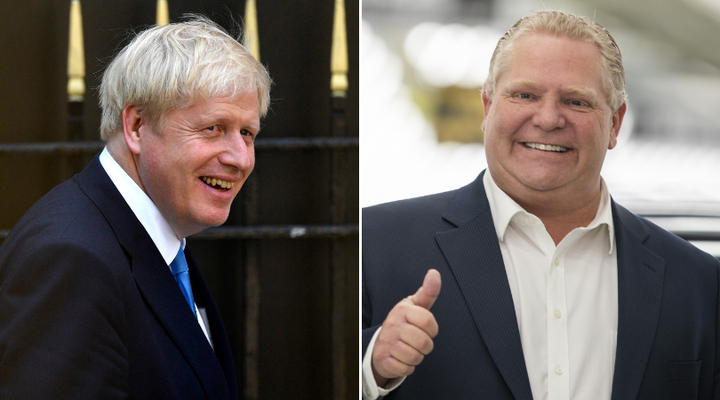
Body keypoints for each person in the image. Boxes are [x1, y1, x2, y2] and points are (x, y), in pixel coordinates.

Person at [362, 10, 720, 400]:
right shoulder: (372, 247)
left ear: (615, 124)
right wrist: (370, 369)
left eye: (576, 101)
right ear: (487, 107)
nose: (548, 118)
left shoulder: (699, 284)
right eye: (525, 95)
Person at [0, 17, 270, 399]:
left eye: (247, 133)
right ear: (137, 126)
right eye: (213, 128)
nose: (240, 158)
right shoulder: (72, 259)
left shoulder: (157, 235)